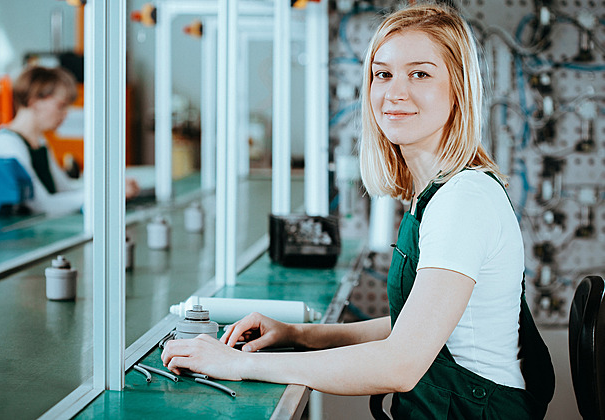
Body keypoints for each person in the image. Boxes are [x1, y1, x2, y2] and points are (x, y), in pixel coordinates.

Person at [161, 4, 555, 419]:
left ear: (458, 89)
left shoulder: (463, 200)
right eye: (383, 74)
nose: (395, 92)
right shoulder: (439, 192)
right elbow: (417, 327)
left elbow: (401, 364)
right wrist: (298, 334)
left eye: (419, 73)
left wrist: (241, 364)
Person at [0, 65, 139, 217]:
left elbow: (64, 190)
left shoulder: (39, 141)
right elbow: (42, 205)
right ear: (34, 102)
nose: (65, 114)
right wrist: (104, 195)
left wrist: (110, 189)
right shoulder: (6, 144)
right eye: (61, 106)